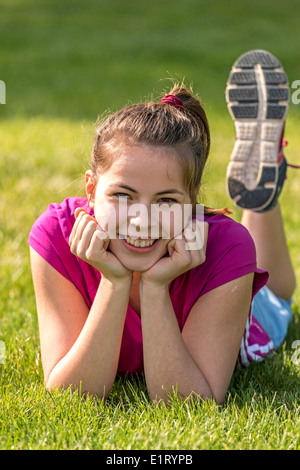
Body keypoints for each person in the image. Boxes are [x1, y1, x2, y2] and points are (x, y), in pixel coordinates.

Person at [29, 49, 296, 405]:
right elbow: (73, 395)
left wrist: (155, 288)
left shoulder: (226, 246)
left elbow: (189, 403)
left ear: (193, 201)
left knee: (275, 301)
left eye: (167, 201)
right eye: (123, 195)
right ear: (91, 189)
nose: (142, 219)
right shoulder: (55, 235)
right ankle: (259, 180)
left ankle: (261, 193)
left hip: (232, 293)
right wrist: (114, 281)